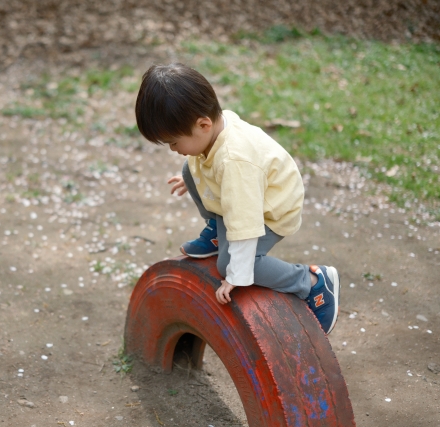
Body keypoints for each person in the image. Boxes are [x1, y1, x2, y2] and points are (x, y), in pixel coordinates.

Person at [134, 63, 340, 334]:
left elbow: (245, 221)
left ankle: (311, 281)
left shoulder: (235, 161)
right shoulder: (216, 127)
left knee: (229, 263)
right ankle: (216, 230)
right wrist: (192, 178)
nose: (173, 149)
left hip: (269, 210)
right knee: (189, 169)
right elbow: (214, 173)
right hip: (245, 194)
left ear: (204, 124)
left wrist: (237, 276)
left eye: (174, 142)